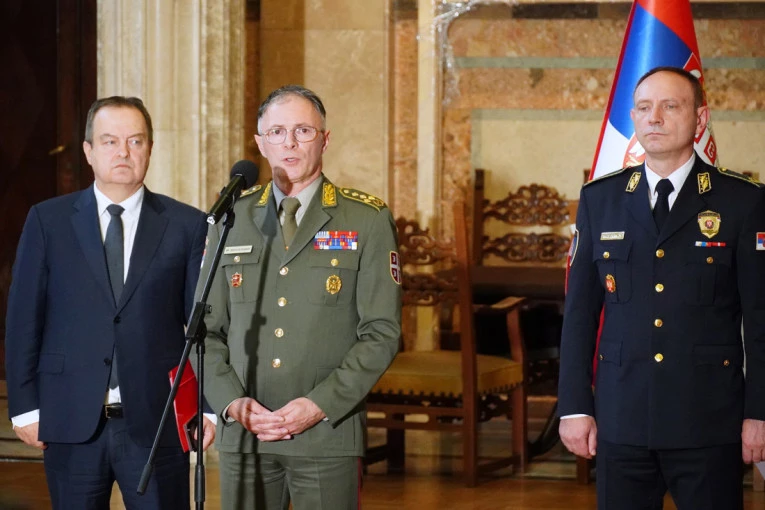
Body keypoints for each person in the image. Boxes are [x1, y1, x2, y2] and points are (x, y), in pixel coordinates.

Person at [558, 66, 765, 509]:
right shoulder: (600, 199)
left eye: (671, 106)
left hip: (708, 419)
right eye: (644, 107)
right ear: (633, 116)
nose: (654, 117)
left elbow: (761, 319)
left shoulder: (743, 201)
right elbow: (578, 314)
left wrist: (760, 412)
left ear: (700, 118)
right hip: (622, 418)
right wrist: (575, 406)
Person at [5, 96, 216, 510]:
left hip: (158, 422)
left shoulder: (187, 225)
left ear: (150, 149)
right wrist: (25, 407)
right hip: (69, 418)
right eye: (110, 141)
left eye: (135, 141)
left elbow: (202, 326)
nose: (123, 152)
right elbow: (23, 320)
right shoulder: (48, 221)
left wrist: (204, 408)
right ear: (88, 151)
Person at [198, 85, 401, 509]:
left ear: (325, 139)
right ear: (260, 143)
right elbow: (206, 331)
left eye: (303, 130)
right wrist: (231, 402)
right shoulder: (231, 218)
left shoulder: (366, 218)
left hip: (327, 432)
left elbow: (381, 332)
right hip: (245, 433)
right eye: (277, 132)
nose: (289, 143)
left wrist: (319, 404)